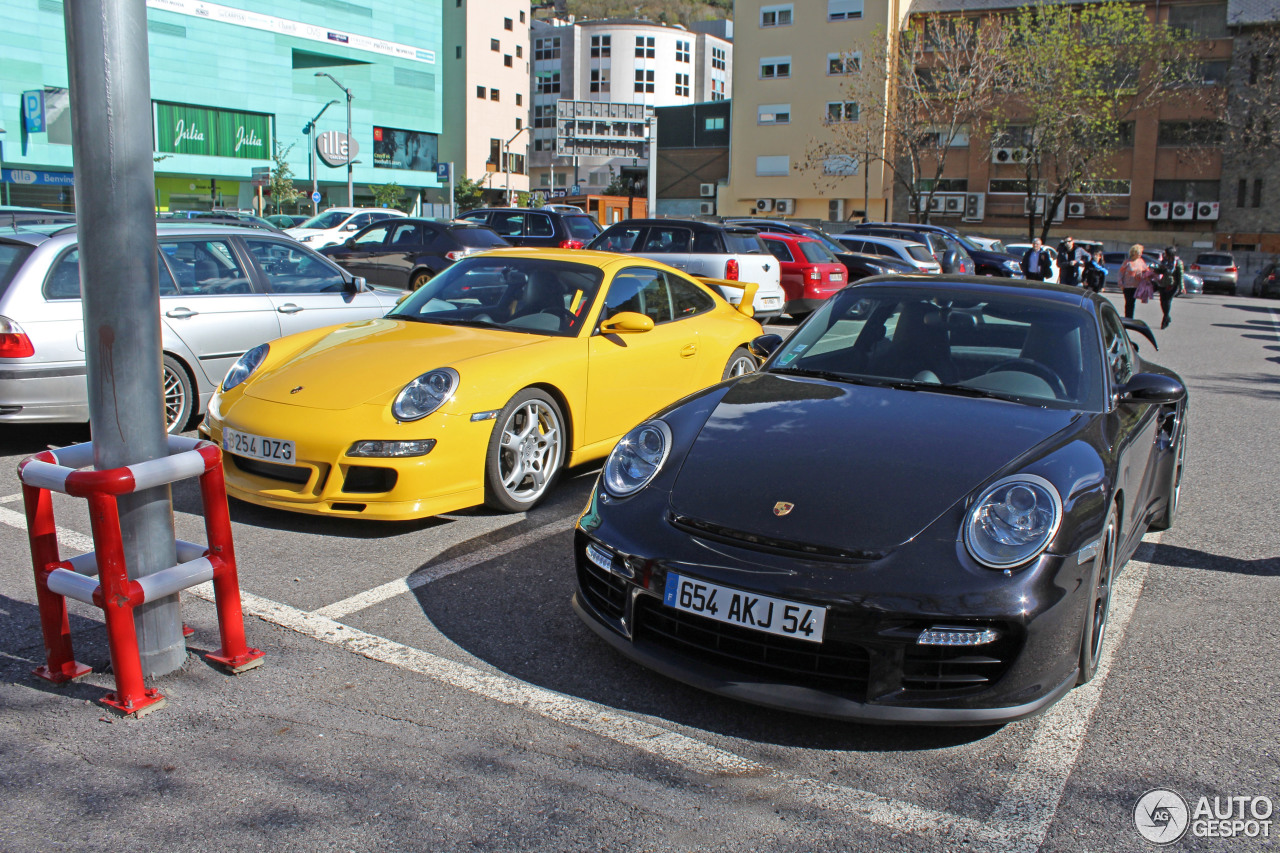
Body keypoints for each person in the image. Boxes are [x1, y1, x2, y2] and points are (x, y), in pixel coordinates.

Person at [1118, 243, 1153, 319]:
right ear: (1134, 253)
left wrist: (1148, 275)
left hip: (1136, 286)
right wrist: (1121, 284)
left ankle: (1130, 318)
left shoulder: (1141, 261)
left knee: (1132, 302)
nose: (1141, 254)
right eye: (1139, 252)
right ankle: (1128, 317)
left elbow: (1146, 271)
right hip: (1127, 286)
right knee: (1128, 302)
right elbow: (1121, 273)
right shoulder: (1127, 262)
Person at [1153, 246, 1184, 329]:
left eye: (1166, 253)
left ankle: (1165, 319)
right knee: (1162, 301)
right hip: (1163, 283)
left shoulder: (1178, 262)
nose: (1165, 255)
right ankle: (1167, 317)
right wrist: (1155, 269)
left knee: (1167, 301)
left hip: (1172, 285)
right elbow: (1161, 271)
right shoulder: (1165, 261)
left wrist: (1181, 287)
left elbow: (1180, 275)